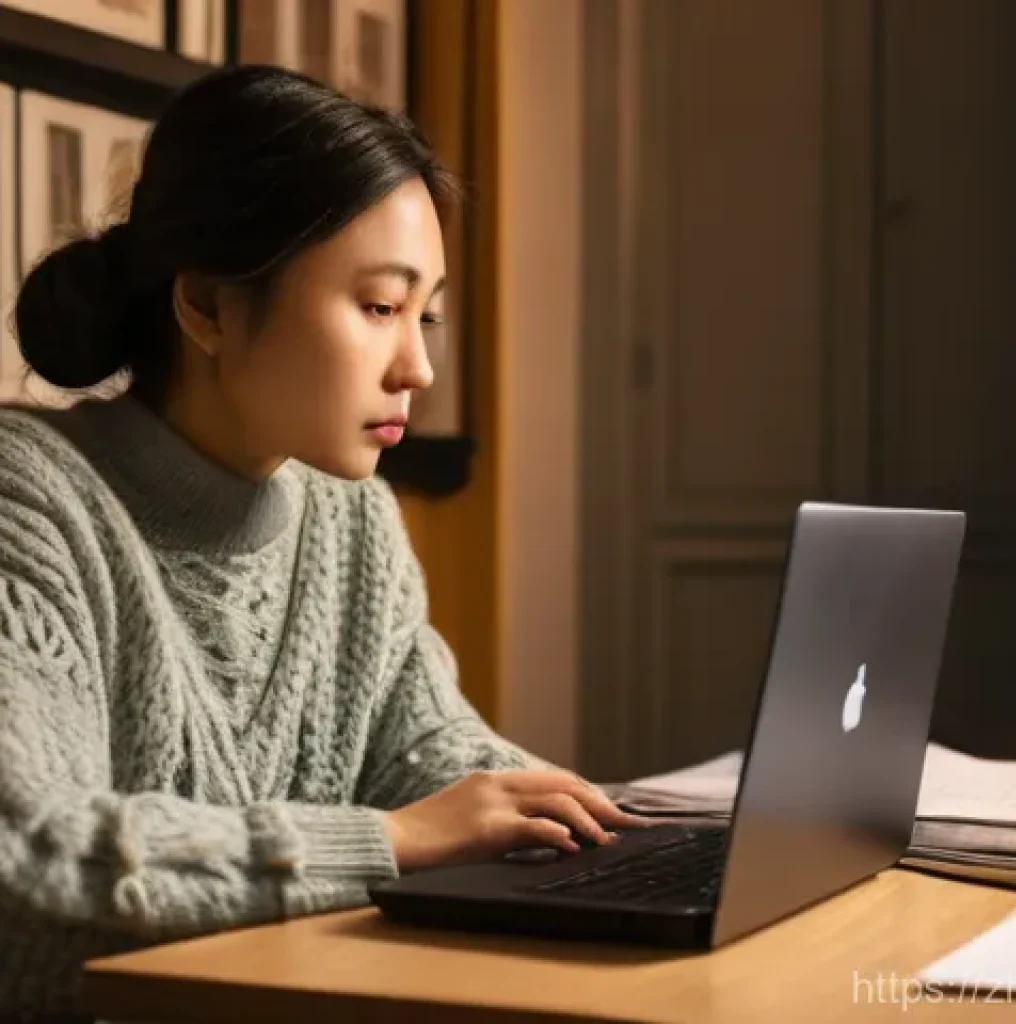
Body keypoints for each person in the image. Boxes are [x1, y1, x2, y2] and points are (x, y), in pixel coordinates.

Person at [0, 66, 645, 1022]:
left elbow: (426, 751)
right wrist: (387, 842)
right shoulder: (29, 500)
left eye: (425, 315)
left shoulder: (350, 517)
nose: (418, 365)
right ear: (209, 306)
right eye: (381, 308)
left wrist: (581, 825)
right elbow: (33, 840)